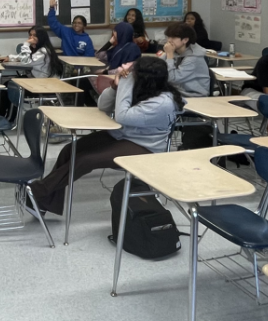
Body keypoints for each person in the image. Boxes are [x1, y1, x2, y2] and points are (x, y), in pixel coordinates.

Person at [29, 56, 183, 234]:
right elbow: (103, 106)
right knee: (69, 150)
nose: (125, 67)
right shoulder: (141, 88)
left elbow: (122, 117)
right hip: (122, 135)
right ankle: (42, 202)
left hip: (145, 147)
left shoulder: (162, 102)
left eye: (132, 69)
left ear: (143, 77)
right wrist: (115, 86)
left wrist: (126, 82)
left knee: (86, 160)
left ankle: (37, 191)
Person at [0, 27, 59, 120]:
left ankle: (7, 117)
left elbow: (26, 61)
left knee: (10, 87)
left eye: (34, 35)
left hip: (41, 85)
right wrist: (10, 58)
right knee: (7, 85)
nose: (31, 38)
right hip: (33, 80)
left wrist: (26, 44)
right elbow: (23, 57)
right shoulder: (38, 49)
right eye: (30, 35)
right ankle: (3, 116)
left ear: (41, 37)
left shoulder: (43, 52)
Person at [160, 23, 210, 97]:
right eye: (168, 37)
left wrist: (169, 55)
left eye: (173, 38)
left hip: (193, 96)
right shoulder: (175, 51)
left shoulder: (194, 57)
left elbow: (172, 79)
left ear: (185, 40)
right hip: (175, 92)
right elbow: (157, 68)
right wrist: (166, 54)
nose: (169, 40)